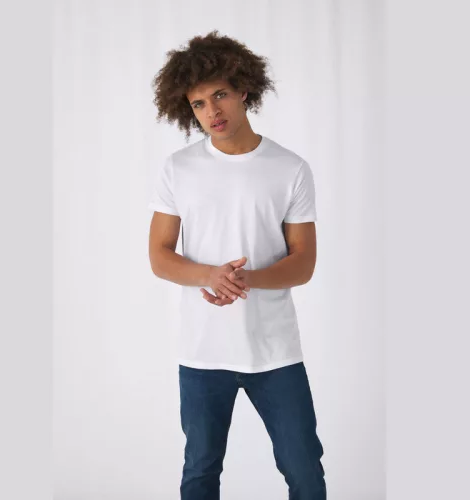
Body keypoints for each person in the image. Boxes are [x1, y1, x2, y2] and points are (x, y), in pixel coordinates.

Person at [148, 30, 326, 500]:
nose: (212, 111)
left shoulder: (290, 168)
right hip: (203, 352)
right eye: (199, 104)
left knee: (305, 471)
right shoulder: (178, 168)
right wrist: (210, 275)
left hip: (275, 351)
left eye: (220, 95)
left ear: (243, 89)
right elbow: (160, 255)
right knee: (200, 472)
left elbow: (303, 262)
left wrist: (246, 279)